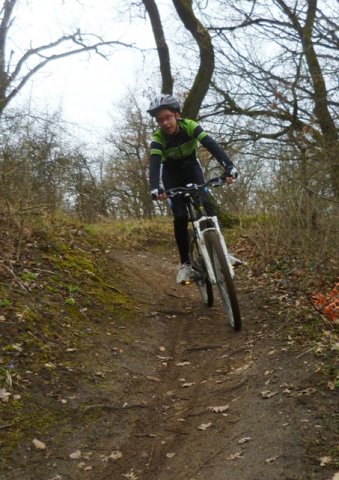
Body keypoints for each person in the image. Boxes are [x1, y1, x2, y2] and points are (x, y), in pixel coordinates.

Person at [147, 94, 239, 285]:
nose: (164, 123)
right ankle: (185, 265)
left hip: (191, 168)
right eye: (159, 120)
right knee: (180, 216)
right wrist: (155, 187)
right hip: (171, 174)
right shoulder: (157, 138)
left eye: (167, 117)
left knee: (207, 205)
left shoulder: (189, 126)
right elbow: (155, 163)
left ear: (176, 115)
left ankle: (222, 252)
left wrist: (229, 166)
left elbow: (211, 145)